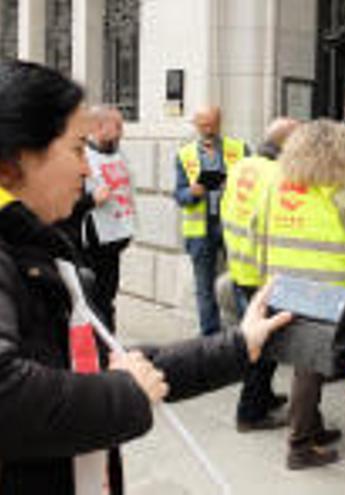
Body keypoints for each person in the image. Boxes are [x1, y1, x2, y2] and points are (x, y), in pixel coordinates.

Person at [0, 59, 291, 495]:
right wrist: (125, 392)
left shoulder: (34, 246)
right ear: (14, 161)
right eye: (78, 148)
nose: (86, 168)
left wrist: (239, 344)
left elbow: (111, 363)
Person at [258, 119, 345, 469]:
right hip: (326, 292)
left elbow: (261, 231)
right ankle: (299, 447)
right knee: (309, 370)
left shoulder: (280, 184)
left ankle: (313, 428)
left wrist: (265, 281)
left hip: (283, 285)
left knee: (305, 365)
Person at [221, 117, 299, 432]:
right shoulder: (280, 175)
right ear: (287, 145)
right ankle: (250, 413)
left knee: (259, 339)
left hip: (240, 266)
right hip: (264, 274)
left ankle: (263, 398)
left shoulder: (243, 166)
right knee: (263, 347)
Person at [56, 105, 136, 332]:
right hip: (88, 246)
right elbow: (62, 205)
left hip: (112, 243)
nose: (122, 131)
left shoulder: (117, 154)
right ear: (99, 127)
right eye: (118, 126)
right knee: (93, 300)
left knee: (108, 300)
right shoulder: (80, 157)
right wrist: (91, 200)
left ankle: (110, 347)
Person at [173, 105, 249, 336]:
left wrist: (235, 186)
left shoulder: (240, 149)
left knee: (242, 280)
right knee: (204, 287)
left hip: (232, 226)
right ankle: (210, 335)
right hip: (201, 230)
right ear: (196, 125)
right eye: (204, 125)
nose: (208, 129)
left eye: (213, 124)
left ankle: (246, 332)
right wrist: (192, 192)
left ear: (220, 122)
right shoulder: (184, 154)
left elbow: (254, 183)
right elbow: (179, 194)